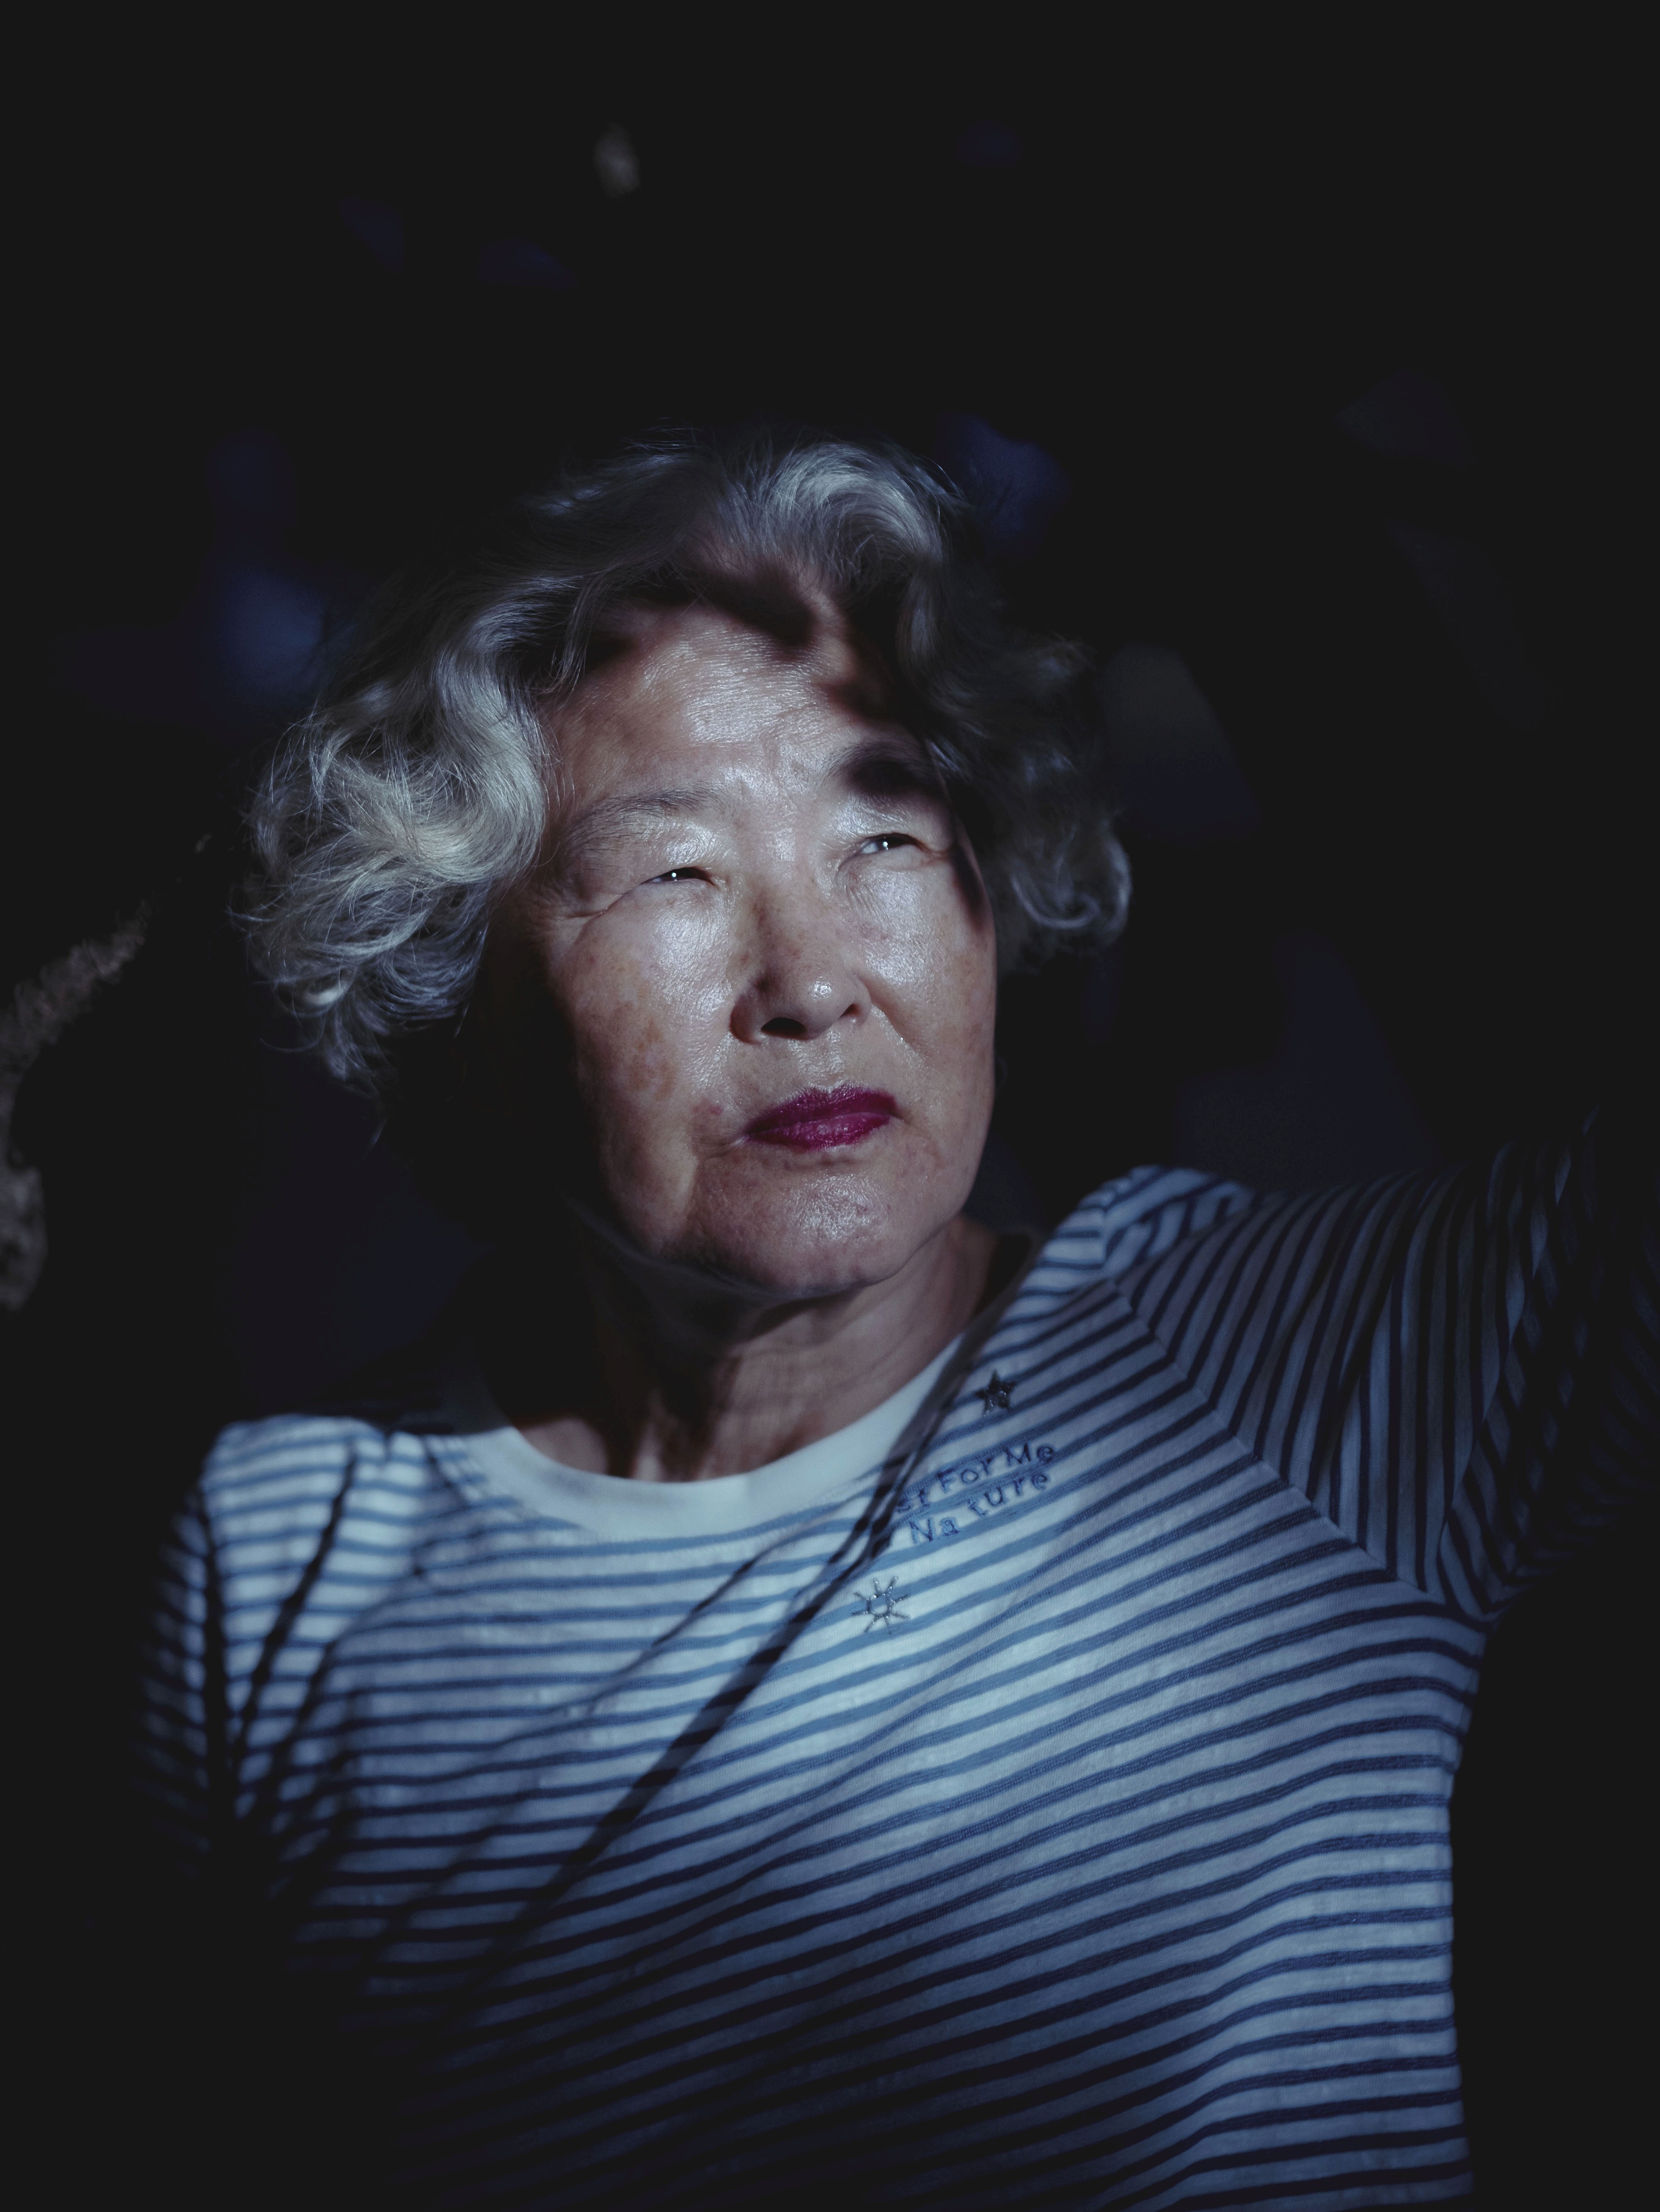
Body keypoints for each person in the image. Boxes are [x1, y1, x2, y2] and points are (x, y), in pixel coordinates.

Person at [133, 428, 1656, 2209]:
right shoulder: (282, 1552)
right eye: (675, 874)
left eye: (885, 835)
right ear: (456, 984)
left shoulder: (1285, 1363)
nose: (811, 980)